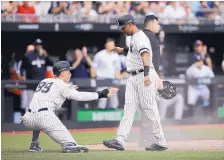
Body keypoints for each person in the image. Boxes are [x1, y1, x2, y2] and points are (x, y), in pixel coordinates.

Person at [21, 61, 119, 153]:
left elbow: (54, 92)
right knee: (71, 144)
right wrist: (101, 94)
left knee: (39, 109)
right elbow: (79, 96)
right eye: (68, 72)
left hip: (28, 119)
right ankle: (68, 145)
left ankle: (34, 144)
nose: (70, 74)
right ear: (62, 73)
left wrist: (69, 89)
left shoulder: (45, 81)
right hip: (44, 117)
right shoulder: (62, 85)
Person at [103, 15, 167, 151]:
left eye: (123, 27)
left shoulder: (141, 36)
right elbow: (135, 50)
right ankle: (120, 140)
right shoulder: (134, 37)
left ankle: (160, 142)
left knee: (149, 108)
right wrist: (122, 50)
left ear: (130, 24)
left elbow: (145, 55)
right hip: (132, 76)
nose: (122, 30)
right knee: (129, 109)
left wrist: (146, 74)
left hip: (142, 75)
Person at [91, 38, 122, 110]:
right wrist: (93, 78)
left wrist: (118, 79)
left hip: (112, 81)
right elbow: (93, 67)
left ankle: (113, 119)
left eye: (113, 45)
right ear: (106, 45)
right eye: (110, 45)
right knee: (102, 101)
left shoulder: (116, 56)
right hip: (101, 80)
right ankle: (100, 118)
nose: (112, 46)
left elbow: (117, 70)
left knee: (114, 102)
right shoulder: (99, 55)